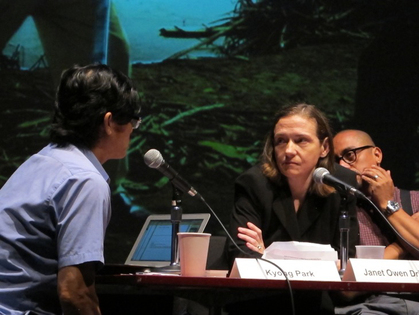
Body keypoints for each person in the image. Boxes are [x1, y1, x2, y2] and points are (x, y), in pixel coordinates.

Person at [0, 64, 142, 314]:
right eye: (132, 120)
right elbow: (74, 293)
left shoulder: (40, 161)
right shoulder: (85, 180)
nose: (133, 129)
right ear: (109, 122)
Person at [225, 103, 359, 315]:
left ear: (324, 147)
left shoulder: (341, 184)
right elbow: (241, 255)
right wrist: (320, 263)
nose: (288, 150)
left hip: (316, 305)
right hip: (259, 305)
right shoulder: (254, 183)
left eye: (301, 140)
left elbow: (346, 263)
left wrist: (268, 255)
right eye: (281, 141)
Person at [333, 129, 419, 314]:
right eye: (335, 161)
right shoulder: (340, 212)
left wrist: (387, 203)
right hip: (367, 307)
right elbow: (347, 288)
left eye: (350, 155)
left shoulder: (416, 200)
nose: (342, 166)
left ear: (377, 155)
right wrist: (401, 245)